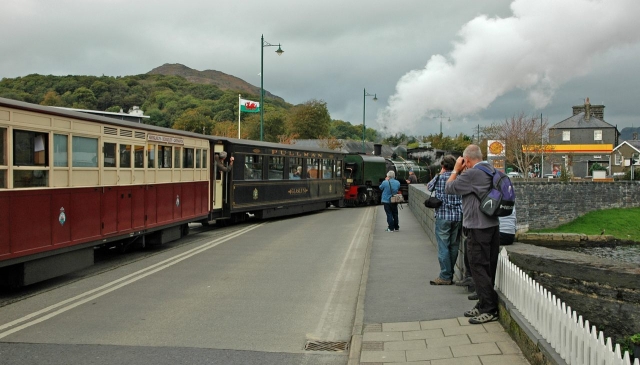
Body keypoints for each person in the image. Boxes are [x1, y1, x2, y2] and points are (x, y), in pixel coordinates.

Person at [444, 144, 500, 324]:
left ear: (466, 160)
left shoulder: (472, 173)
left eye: (464, 160)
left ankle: (489, 309)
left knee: (477, 266)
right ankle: (483, 303)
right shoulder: (490, 169)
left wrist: (455, 169)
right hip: (492, 224)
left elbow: (449, 187)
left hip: (477, 226)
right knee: (487, 266)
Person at [426, 156, 462, 285]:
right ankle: (449, 273)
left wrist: (440, 173)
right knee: (453, 246)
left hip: (443, 215)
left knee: (443, 246)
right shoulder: (460, 178)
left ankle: (445, 276)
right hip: (458, 216)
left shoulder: (440, 178)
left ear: (443, 166)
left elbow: (429, 187)